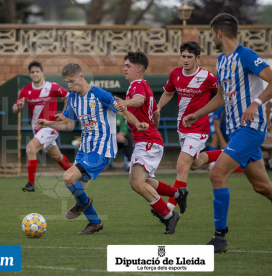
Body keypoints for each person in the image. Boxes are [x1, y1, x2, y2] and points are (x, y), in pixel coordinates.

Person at [183, 13, 272, 253]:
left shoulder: (246, 55)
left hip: (251, 129)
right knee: (262, 187)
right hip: (236, 132)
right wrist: (199, 113)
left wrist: (256, 103)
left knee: (217, 175)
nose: (211, 38)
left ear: (219, 33)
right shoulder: (222, 61)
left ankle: (220, 238)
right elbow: (222, 96)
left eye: (212, 34)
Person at [35, 63, 148, 234]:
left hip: (102, 149)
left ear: (82, 77)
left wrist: (138, 123)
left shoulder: (100, 95)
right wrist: (49, 123)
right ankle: (95, 223)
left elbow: (123, 111)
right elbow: (69, 125)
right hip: (85, 149)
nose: (70, 86)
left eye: (72, 81)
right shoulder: (73, 98)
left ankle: (83, 204)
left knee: (68, 177)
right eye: (67, 82)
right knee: (77, 188)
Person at [114, 51, 188, 234]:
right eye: (124, 65)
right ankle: (178, 193)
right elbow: (156, 113)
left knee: (137, 183)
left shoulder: (136, 86)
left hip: (147, 141)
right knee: (144, 180)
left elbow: (139, 100)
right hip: (149, 140)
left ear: (138, 69)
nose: (124, 68)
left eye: (128, 66)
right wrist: (146, 126)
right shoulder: (145, 86)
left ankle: (169, 216)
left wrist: (125, 102)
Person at [157, 41, 218, 211]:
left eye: (189, 57)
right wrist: (157, 107)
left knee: (182, 165)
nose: (185, 60)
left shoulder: (208, 77)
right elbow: (169, 92)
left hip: (199, 127)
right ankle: (226, 153)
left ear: (197, 58)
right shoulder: (175, 74)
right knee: (194, 164)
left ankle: (169, 206)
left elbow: (220, 96)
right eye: (183, 56)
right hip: (182, 127)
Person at [13, 61, 73, 192]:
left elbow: (69, 96)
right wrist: (17, 106)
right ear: (29, 74)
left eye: (37, 71)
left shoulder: (52, 87)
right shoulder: (26, 90)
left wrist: (64, 113)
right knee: (57, 157)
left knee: (30, 149)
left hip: (50, 127)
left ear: (42, 73)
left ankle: (30, 184)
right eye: (32, 72)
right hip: (38, 130)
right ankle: (76, 175)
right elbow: (14, 109)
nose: (35, 74)